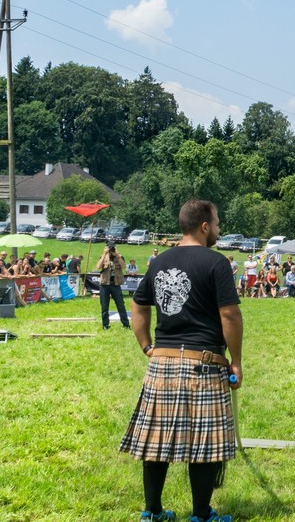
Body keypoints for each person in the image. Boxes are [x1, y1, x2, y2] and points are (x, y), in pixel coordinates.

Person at [119, 199, 242, 522]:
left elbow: (138, 305)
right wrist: (237, 361)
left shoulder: (159, 262)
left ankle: (153, 511)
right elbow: (229, 314)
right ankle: (201, 516)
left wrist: (147, 346)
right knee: (204, 441)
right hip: (205, 362)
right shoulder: (216, 263)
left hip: (162, 361)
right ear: (204, 226)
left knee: (155, 440)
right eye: (216, 223)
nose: (218, 229)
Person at [97, 243, 131, 330]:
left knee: (121, 305)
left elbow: (123, 267)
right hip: (105, 284)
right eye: (110, 248)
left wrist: (117, 255)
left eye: (113, 248)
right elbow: (98, 266)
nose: (111, 250)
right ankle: (105, 325)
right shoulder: (103, 256)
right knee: (104, 306)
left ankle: (126, 325)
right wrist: (104, 253)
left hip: (115, 284)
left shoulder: (119, 257)